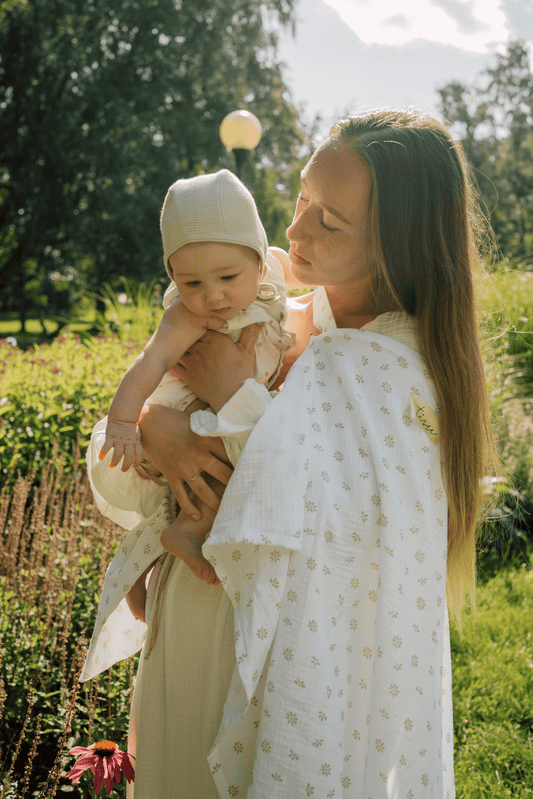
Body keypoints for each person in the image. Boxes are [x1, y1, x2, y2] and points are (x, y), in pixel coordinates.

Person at [83, 108, 497, 798]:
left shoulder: (402, 371)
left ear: (399, 242)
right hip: (187, 624)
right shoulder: (267, 318)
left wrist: (237, 396)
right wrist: (158, 429)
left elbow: (341, 532)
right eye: (302, 200)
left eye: (328, 222)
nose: (293, 230)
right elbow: (114, 451)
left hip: (280, 660)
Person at [90, 168, 295, 595]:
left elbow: (282, 262)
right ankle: (182, 535)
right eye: (192, 282)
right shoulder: (186, 316)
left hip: (230, 407)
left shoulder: (270, 274)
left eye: (227, 278)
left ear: (258, 260)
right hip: (190, 414)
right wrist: (124, 421)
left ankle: (144, 564)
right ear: (173, 276)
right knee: (215, 477)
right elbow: (151, 361)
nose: (213, 295)